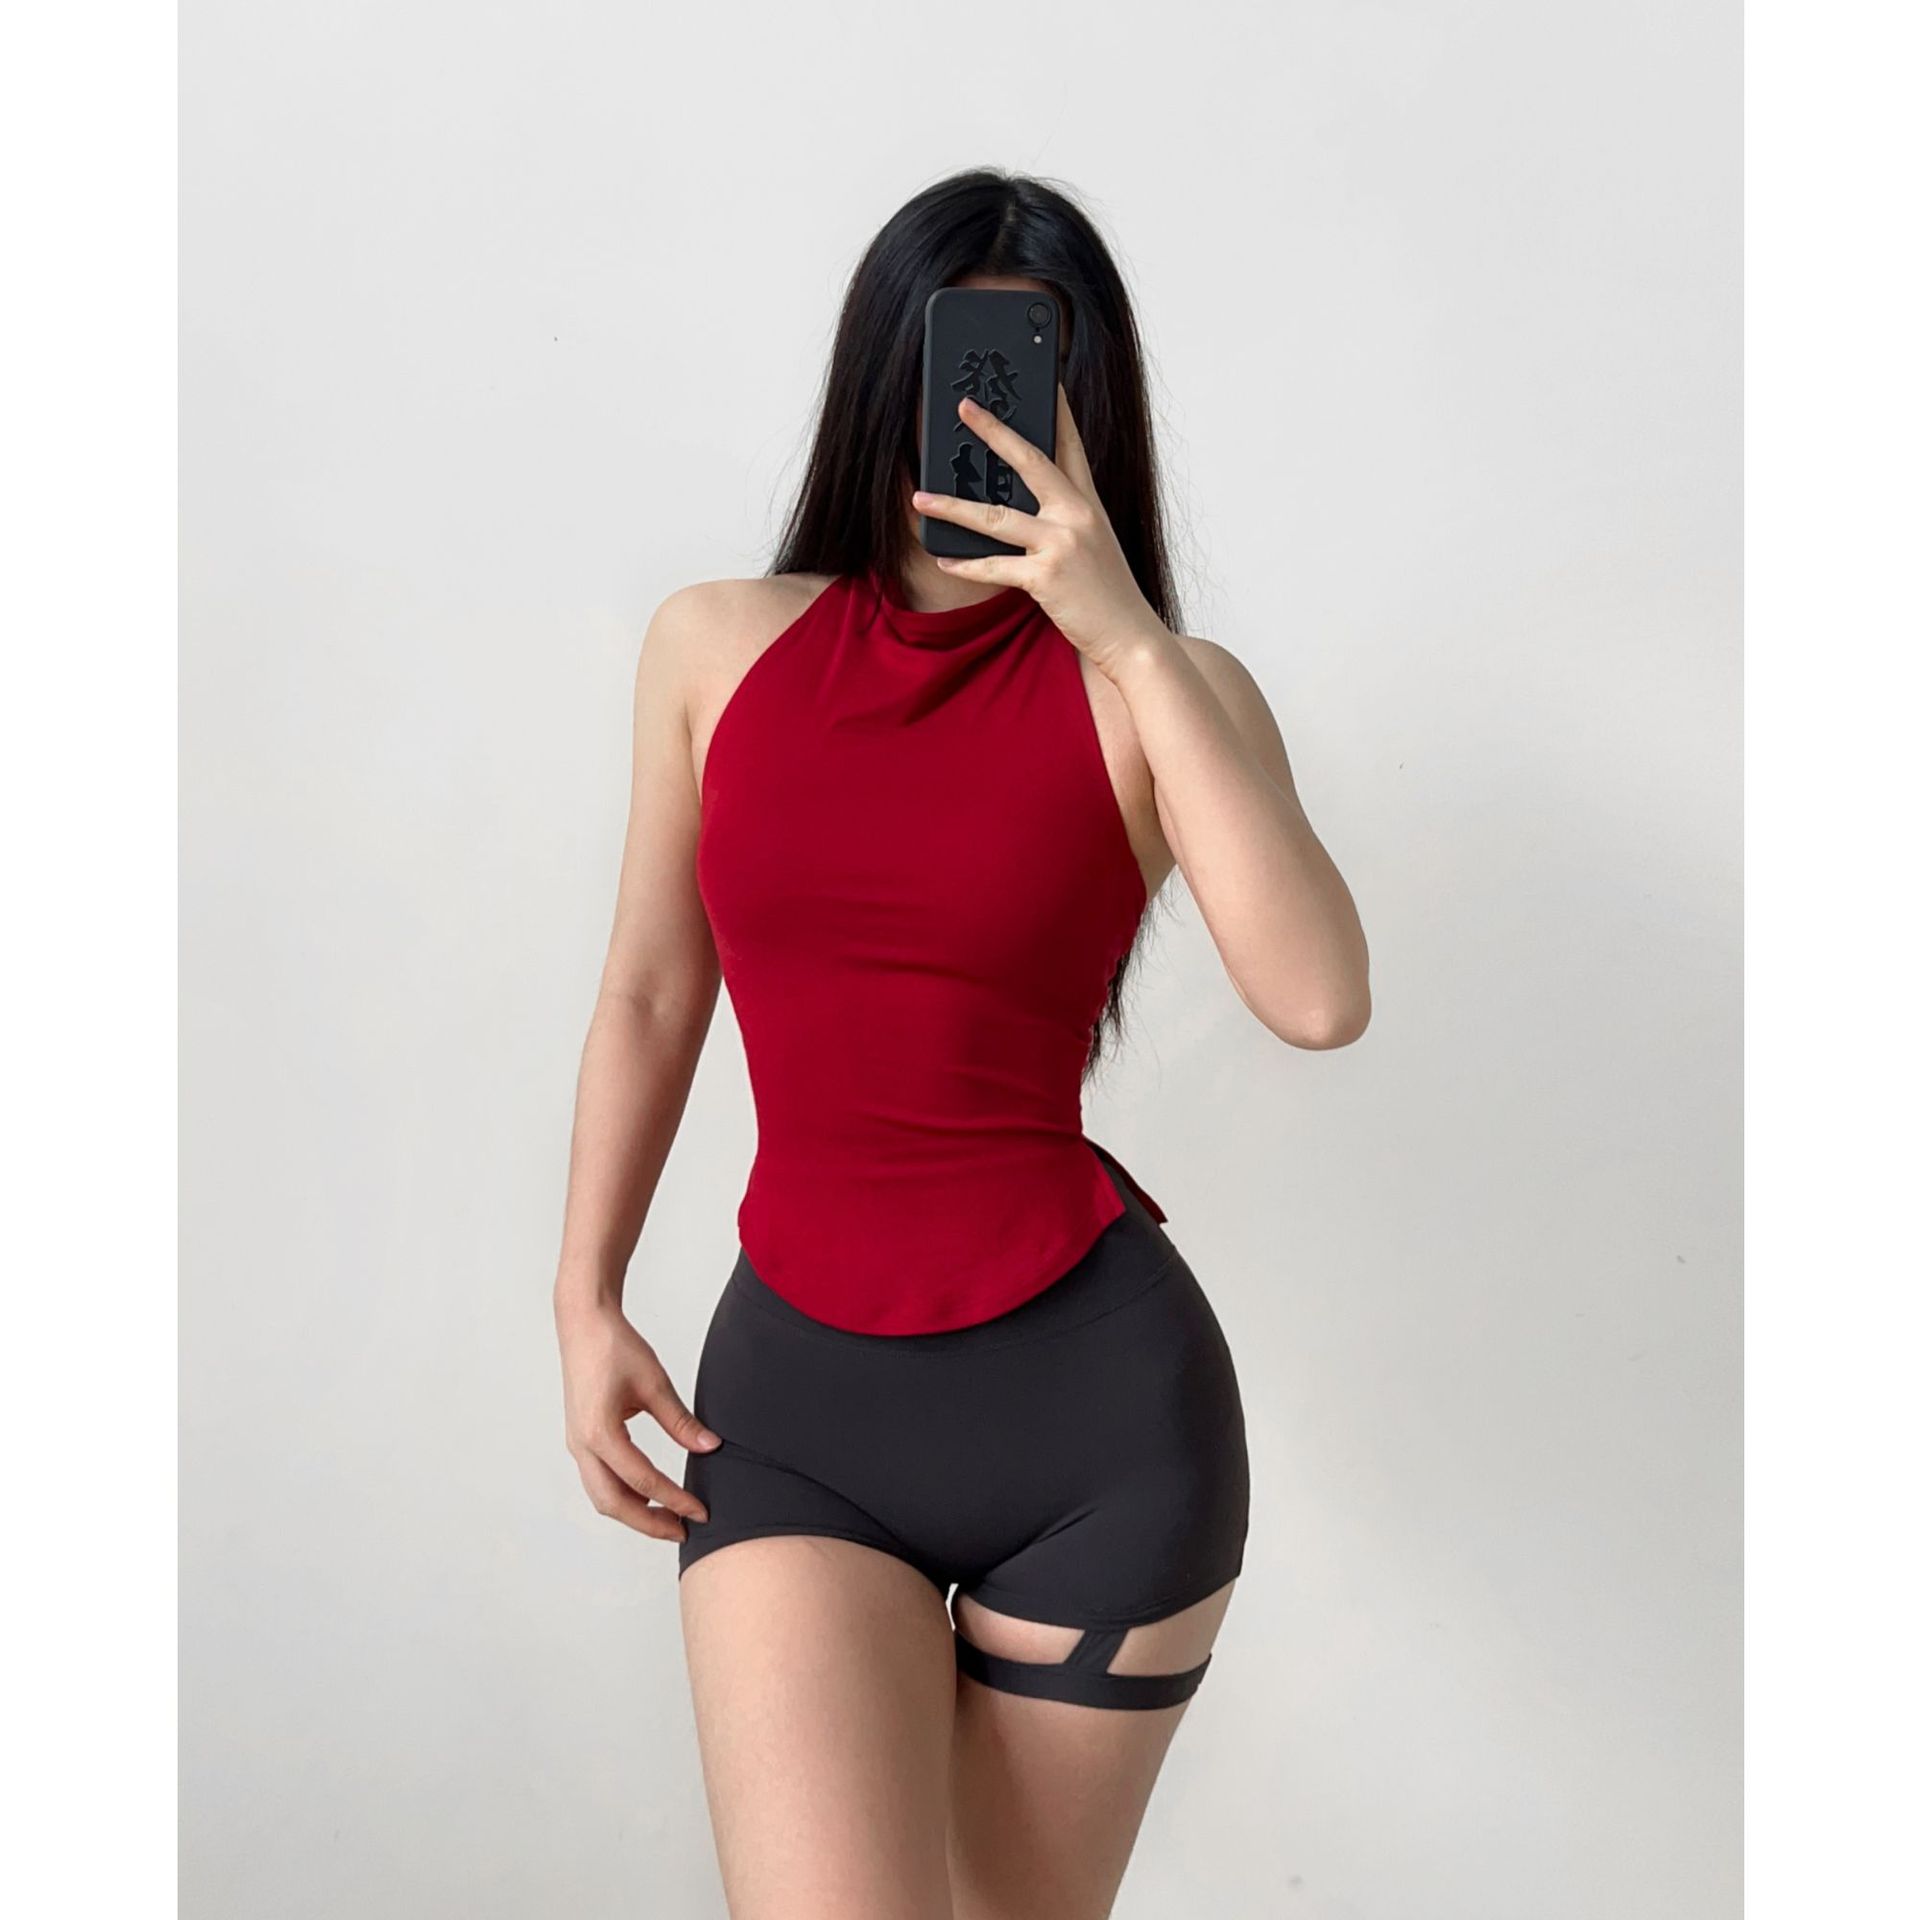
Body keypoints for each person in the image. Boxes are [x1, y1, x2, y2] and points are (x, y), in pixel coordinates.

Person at [553, 169, 1370, 1920]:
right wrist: (583, 1292)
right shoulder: (714, 645)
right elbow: (648, 991)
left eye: (1037, 368)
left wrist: (1121, 628)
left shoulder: (1164, 691)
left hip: (1099, 1431)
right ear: (889, 370)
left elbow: (1319, 997)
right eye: (964, 362)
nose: (997, 409)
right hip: (796, 1414)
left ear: (1093, 398)